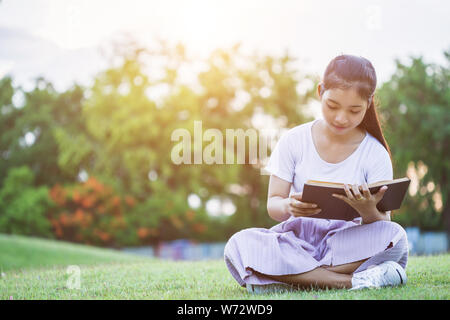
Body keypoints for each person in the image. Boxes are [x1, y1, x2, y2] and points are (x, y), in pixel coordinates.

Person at [223, 54, 409, 293]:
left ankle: (288, 278)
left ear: (369, 103)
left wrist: (367, 210)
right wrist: (289, 206)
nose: (341, 118)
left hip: (346, 243)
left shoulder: (374, 152)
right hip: (297, 241)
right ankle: (352, 281)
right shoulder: (293, 140)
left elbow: (384, 224)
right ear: (320, 91)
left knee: (396, 237)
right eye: (333, 106)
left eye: (354, 110)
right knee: (238, 245)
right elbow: (273, 204)